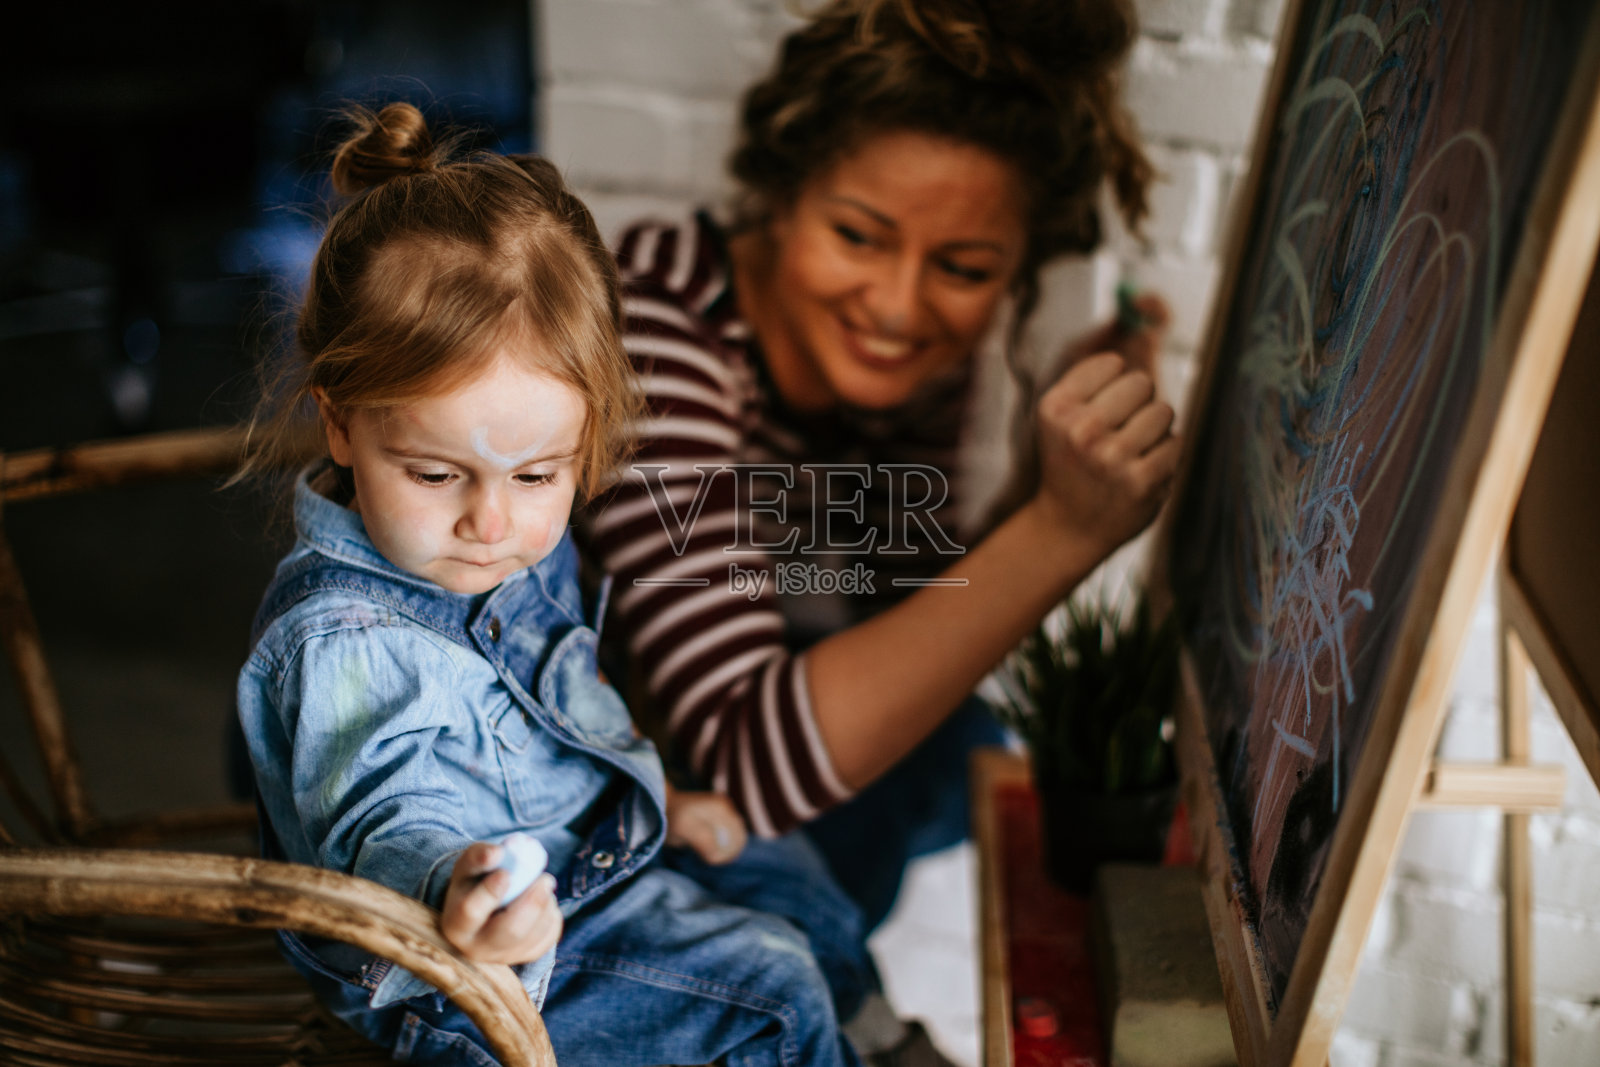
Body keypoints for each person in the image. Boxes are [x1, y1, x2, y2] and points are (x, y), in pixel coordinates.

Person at [233, 101, 890, 1067]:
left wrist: (652, 795)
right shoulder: (350, 641)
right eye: (434, 473)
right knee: (771, 989)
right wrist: (463, 896)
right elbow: (388, 815)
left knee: (788, 873)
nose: (491, 523)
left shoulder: (507, 542)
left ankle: (876, 1043)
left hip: (581, 861)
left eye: (538, 475)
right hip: (471, 971)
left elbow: (560, 709)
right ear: (340, 426)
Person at [580, 0, 1179, 934]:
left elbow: (896, 621)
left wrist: (1040, 487)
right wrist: (1067, 531)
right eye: (857, 236)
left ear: (1019, 271)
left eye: (966, 268)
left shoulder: (906, 358)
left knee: (955, 741)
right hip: (572, 794)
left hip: (734, 760)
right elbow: (749, 756)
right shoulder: (659, 333)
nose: (897, 309)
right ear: (780, 200)